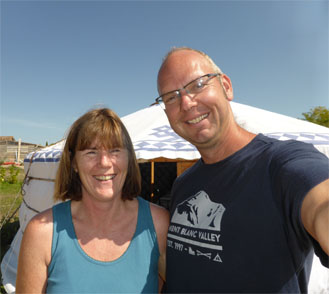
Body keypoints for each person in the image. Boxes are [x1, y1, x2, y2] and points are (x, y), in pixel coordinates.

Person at [155, 47, 329, 293]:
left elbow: (321, 202)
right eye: (171, 97)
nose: (186, 102)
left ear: (226, 86)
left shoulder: (282, 164)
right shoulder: (184, 183)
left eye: (198, 84)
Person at [16, 108, 169, 293]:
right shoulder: (42, 233)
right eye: (91, 152)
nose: (104, 162)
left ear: (129, 158)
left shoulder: (158, 224)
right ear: (73, 163)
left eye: (115, 150)